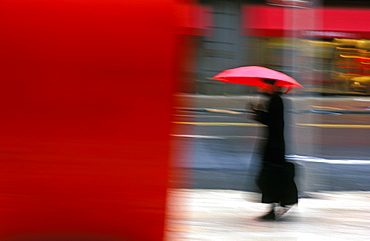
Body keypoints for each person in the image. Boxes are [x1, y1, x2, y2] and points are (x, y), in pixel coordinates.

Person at [249, 79, 298, 221]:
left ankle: (275, 207)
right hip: (273, 145)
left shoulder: (276, 100)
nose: (260, 87)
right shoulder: (274, 99)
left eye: (263, 84)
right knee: (270, 178)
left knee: (269, 178)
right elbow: (271, 120)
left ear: (270, 86)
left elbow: (273, 122)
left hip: (274, 147)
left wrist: (257, 113)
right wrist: (258, 112)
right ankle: (275, 206)